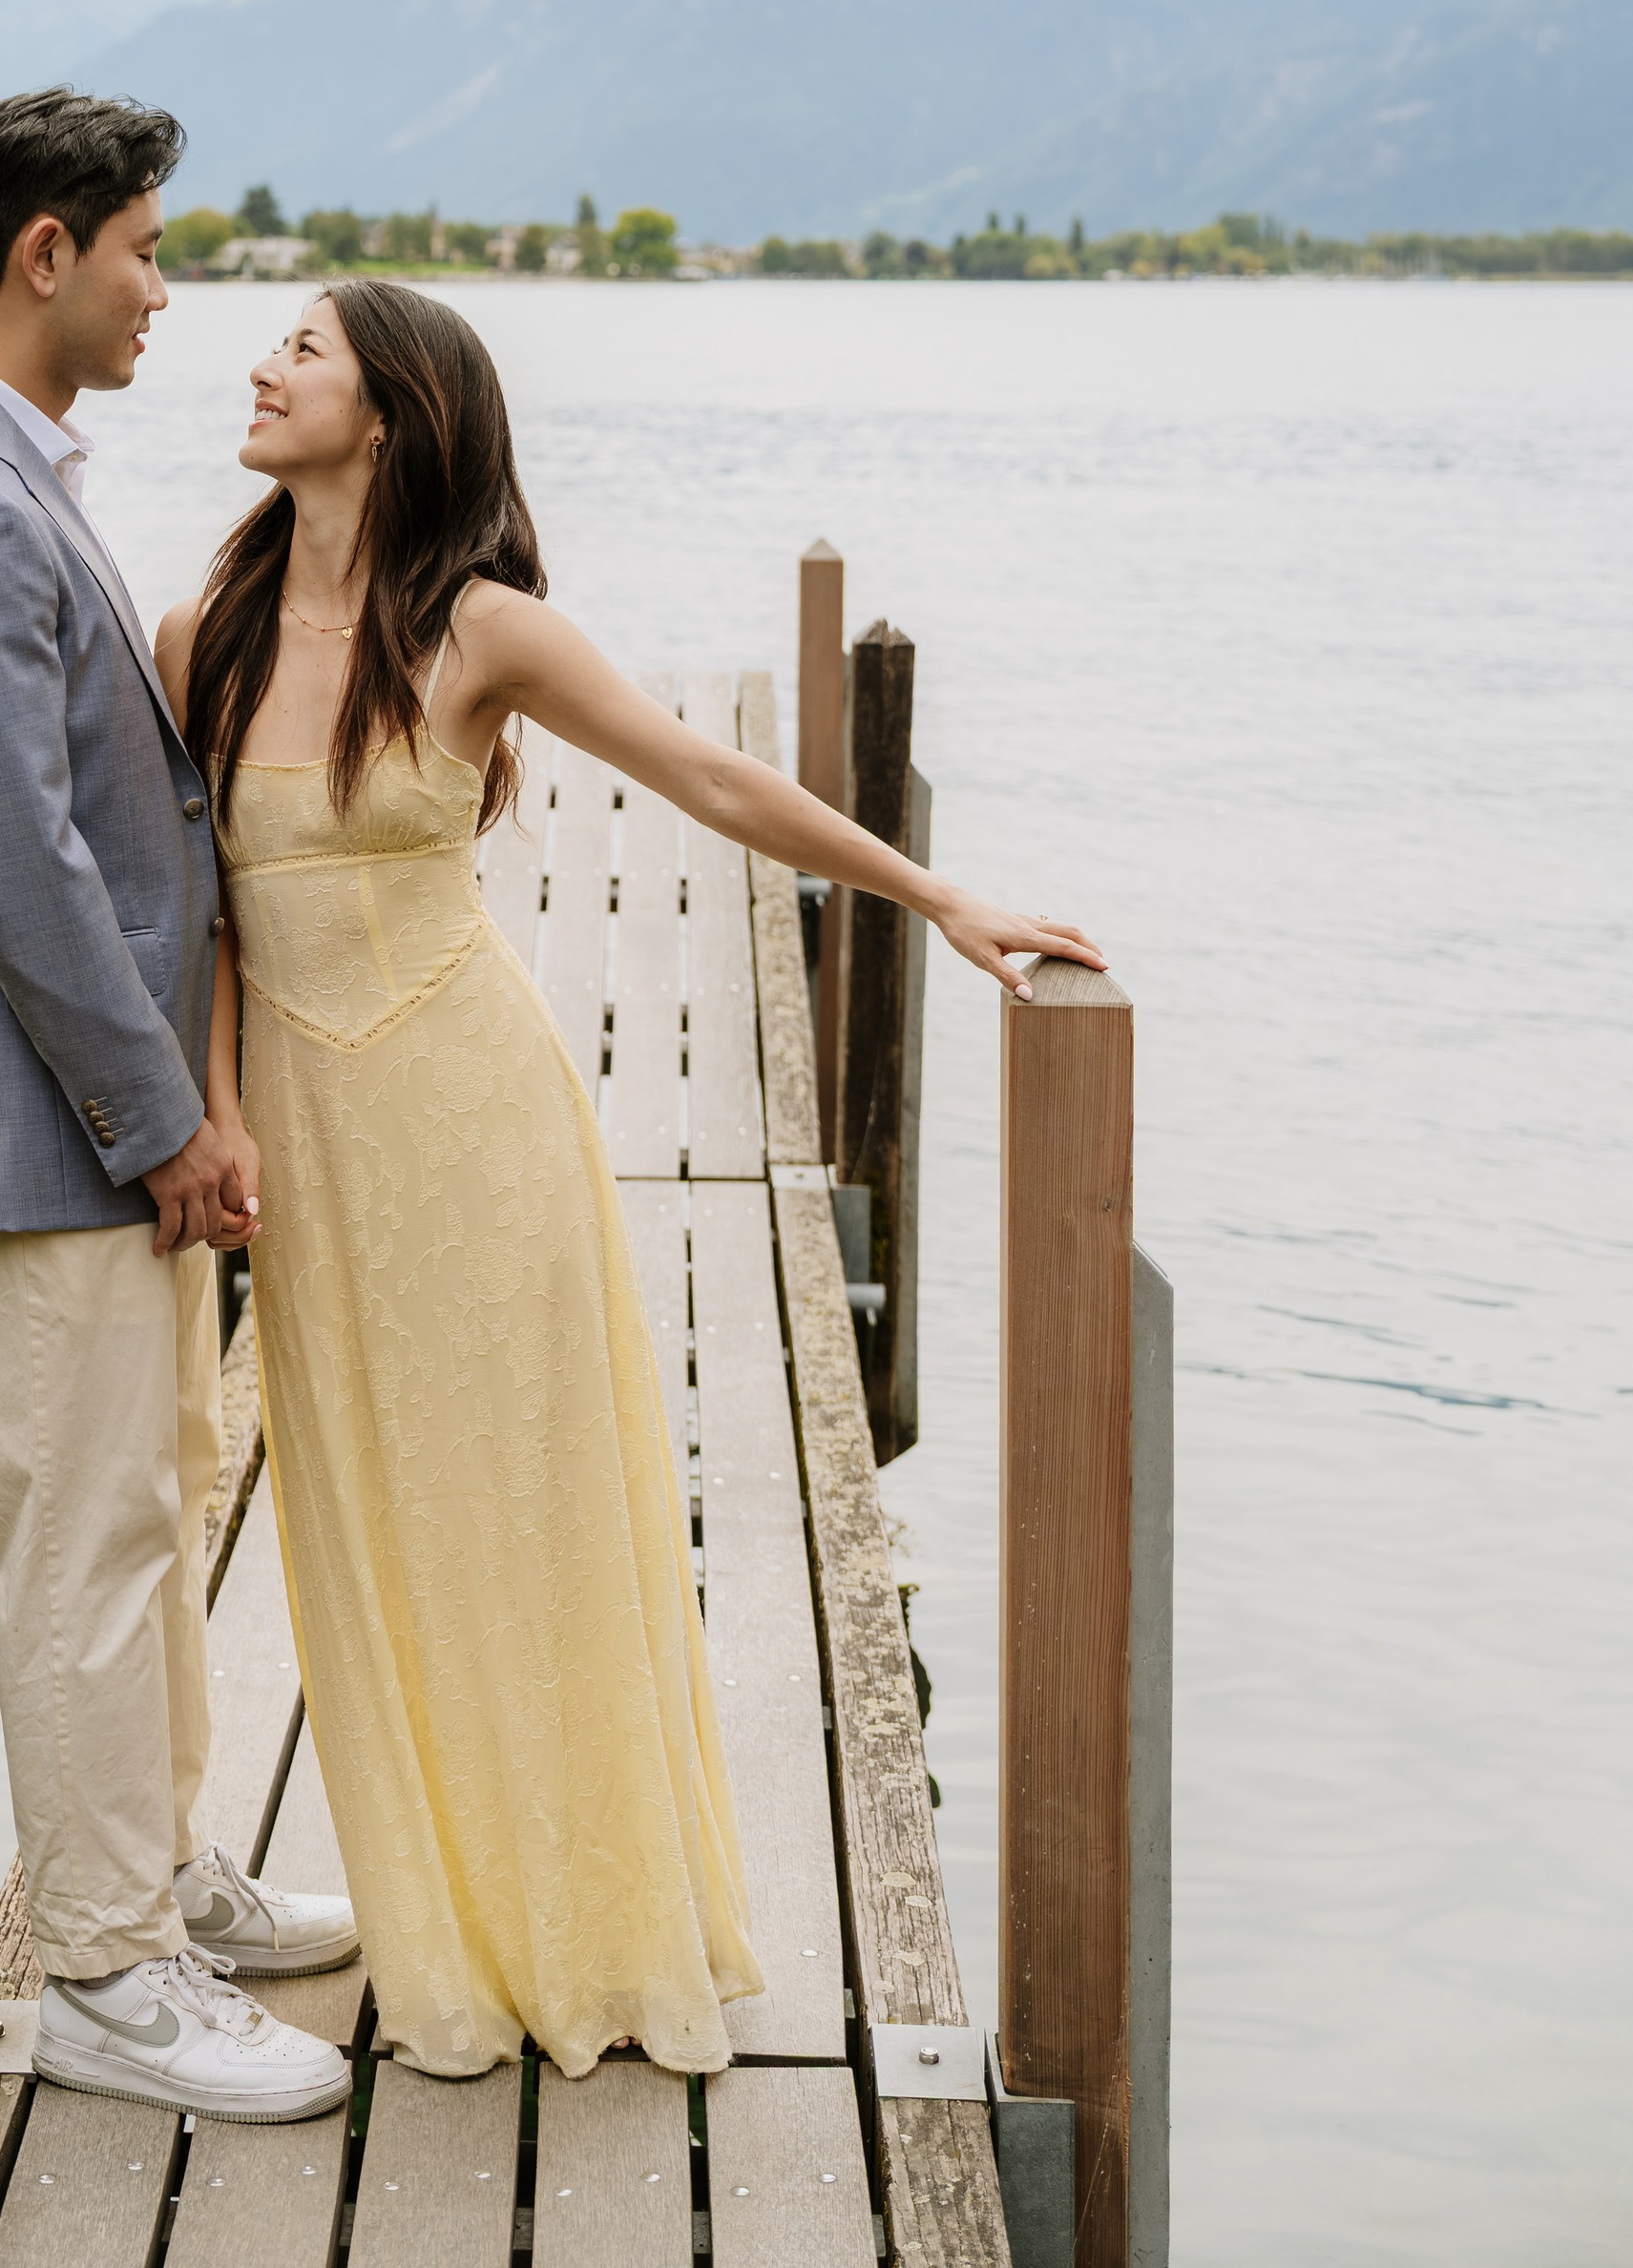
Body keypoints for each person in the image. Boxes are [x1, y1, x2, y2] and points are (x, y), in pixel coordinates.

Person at [156, 277, 1103, 2082]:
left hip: (480, 1118)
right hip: (314, 1148)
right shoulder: (205, 631)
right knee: (368, 1524)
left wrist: (934, 894)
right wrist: (214, 1105)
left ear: (393, 412)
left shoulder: (481, 630)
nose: (263, 365)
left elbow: (708, 779)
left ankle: (589, 1926)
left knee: (531, 1511)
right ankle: (447, 1930)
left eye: (305, 348)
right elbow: (194, 907)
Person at [0, 90, 355, 2125]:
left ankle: (159, 1877)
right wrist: (169, 1121)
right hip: (44, 1129)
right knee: (83, 1550)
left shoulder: (2, 473)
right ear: (43, 253)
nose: (163, 289)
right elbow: (19, 870)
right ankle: (103, 1975)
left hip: (84, 1128)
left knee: (143, 1509)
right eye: (143, 249)